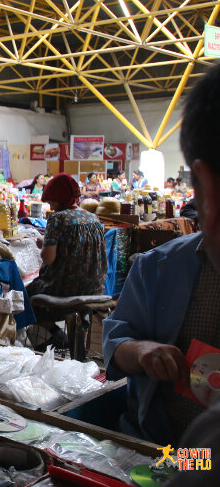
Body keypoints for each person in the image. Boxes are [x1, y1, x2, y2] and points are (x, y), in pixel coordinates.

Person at [102, 63, 220, 448]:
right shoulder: (159, 267)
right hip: (161, 447)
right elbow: (116, 340)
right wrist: (142, 351)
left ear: (204, 189)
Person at [26, 173, 107, 347]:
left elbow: (48, 259)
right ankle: (64, 339)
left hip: (65, 289)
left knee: (26, 294)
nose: (50, 206)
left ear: (58, 198)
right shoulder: (93, 218)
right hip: (95, 288)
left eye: (51, 201)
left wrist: (43, 244)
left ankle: (55, 335)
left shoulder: (58, 219)